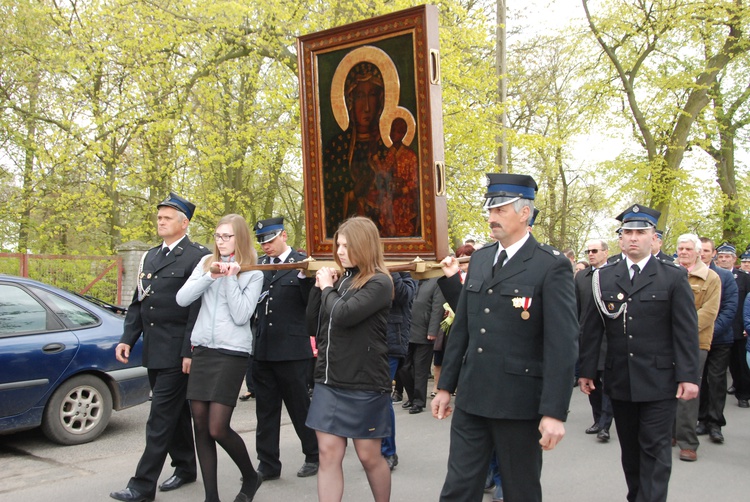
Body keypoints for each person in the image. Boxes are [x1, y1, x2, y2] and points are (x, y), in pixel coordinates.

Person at [432, 173, 578, 502]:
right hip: (473, 396)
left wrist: (554, 411)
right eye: (490, 210)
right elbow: (464, 328)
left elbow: (562, 343)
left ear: (525, 213)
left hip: (519, 403)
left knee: (520, 490)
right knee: (458, 487)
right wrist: (445, 386)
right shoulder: (482, 258)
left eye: (500, 210)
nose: (491, 218)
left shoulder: (549, 266)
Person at [579, 204, 700, 502]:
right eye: (628, 232)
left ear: (654, 238)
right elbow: (592, 328)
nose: (633, 238)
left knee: (655, 449)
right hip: (620, 378)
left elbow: (685, 330)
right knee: (631, 452)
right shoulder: (603, 277)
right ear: (620, 239)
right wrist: (585, 370)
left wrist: (688, 376)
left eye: (640, 232)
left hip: (660, 379)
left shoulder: (672, 276)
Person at [111, 193, 210, 502]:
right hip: (154, 348)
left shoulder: (199, 256)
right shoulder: (150, 256)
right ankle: (185, 467)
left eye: (167, 217)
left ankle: (141, 486)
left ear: (185, 222)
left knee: (159, 418)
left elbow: (197, 309)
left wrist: (188, 351)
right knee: (177, 413)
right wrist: (128, 337)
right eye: (159, 217)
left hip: (178, 351)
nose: (161, 222)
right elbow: (140, 301)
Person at [175, 214, 264, 502]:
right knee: (199, 424)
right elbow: (182, 298)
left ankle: (251, 476)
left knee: (217, 427)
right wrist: (210, 275)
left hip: (231, 352)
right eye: (217, 236)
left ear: (240, 238)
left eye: (227, 236)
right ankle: (211, 497)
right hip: (203, 349)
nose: (221, 241)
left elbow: (241, 316)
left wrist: (229, 279)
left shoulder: (253, 272)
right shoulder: (204, 264)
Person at [306, 216, 394, 502]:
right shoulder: (340, 280)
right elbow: (312, 323)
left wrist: (326, 288)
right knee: (328, 454)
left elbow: (343, 315)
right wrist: (317, 286)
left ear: (364, 246)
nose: (340, 251)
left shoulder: (379, 283)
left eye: (347, 245)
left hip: (364, 384)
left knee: (369, 457)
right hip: (329, 382)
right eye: (339, 245)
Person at [250, 217, 320, 481]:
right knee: (265, 410)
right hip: (264, 348)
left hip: (292, 349)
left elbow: (310, 303)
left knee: (299, 406)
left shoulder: (302, 263)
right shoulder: (260, 265)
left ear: (284, 235)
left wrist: (304, 277)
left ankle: (313, 454)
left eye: (269, 240)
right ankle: (268, 463)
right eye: (262, 242)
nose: (266, 246)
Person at [323, 62, 389, 236]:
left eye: (372, 95)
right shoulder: (337, 147)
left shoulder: (389, 146)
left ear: (381, 99)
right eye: (360, 96)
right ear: (350, 100)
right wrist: (353, 194)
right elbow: (329, 201)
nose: (366, 106)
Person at [672, 234, 720, 462]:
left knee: (689, 392)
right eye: (680, 248)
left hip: (696, 343)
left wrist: (680, 330)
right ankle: (670, 433)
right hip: (667, 342)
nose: (683, 252)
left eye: (688, 248)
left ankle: (688, 442)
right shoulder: (667, 273)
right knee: (665, 389)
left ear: (698, 252)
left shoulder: (711, 278)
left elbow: (709, 313)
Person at [696, 239, 738, 443]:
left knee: (716, 381)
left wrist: (711, 331)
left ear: (713, 253)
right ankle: (701, 419)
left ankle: (715, 423)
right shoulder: (690, 275)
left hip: (719, 339)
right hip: (696, 338)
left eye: (706, 251)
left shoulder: (725, 276)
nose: (702, 254)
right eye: (700, 250)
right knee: (699, 380)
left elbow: (730, 308)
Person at [575, 239, 613, 442]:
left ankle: (605, 425)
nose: (591, 254)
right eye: (588, 251)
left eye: (595, 251)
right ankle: (598, 418)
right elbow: (576, 307)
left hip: (610, 337)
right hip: (587, 337)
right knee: (591, 379)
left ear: (606, 253)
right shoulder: (581, 277)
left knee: (607, 380)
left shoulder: (615, 274)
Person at [381, 271, 417, 470]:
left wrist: (390, 269)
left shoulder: (405, 270)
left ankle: (387, 451)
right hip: (365, 341)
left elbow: (404, 295)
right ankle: (371, 446)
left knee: (381, 396)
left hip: (390, 344)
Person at [399, 277, 444, 414]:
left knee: (420, 369)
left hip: (424, 332)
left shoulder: (437, 281)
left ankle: (418, 401)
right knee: (403, 368)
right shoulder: (409, 279)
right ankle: (412, 397)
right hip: (406, 330)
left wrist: (433, 330)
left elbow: (437, 307)